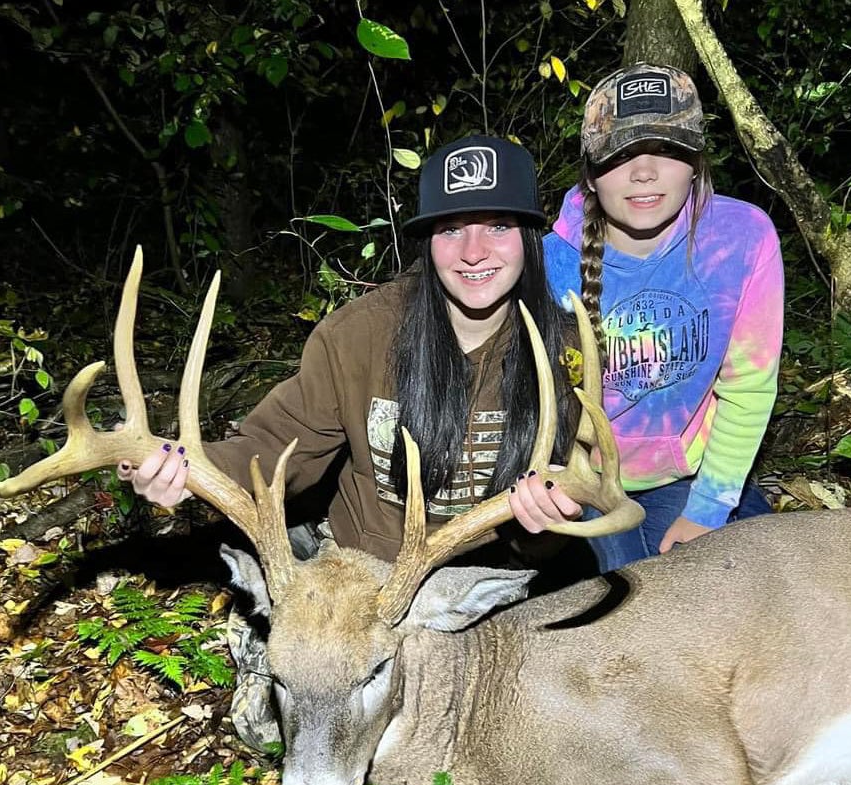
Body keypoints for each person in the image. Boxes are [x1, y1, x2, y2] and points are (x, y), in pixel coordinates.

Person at [117, 133, 583, 746]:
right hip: (363, 582)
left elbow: (576, 498)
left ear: (530, 236)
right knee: (271, 733)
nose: (473, 252)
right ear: (426, 241)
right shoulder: (360, 336)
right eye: (449, 230)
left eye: (496, 226)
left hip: (475, 586)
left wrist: (548, 525)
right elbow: (277, 447)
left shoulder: (567, 351)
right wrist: (182, 466)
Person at [509, 63, 783, 572]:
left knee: (751, 586)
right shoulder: (549, 264)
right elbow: (518, 398)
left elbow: (747, 386)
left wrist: (707, 509)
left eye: (668, 149)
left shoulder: (742, 239)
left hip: (689, 477)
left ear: (696, 162)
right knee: (618, 615)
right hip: (582, 483)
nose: (644, 172)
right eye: (621, 154)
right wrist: (541, 484)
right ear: (590, 173)